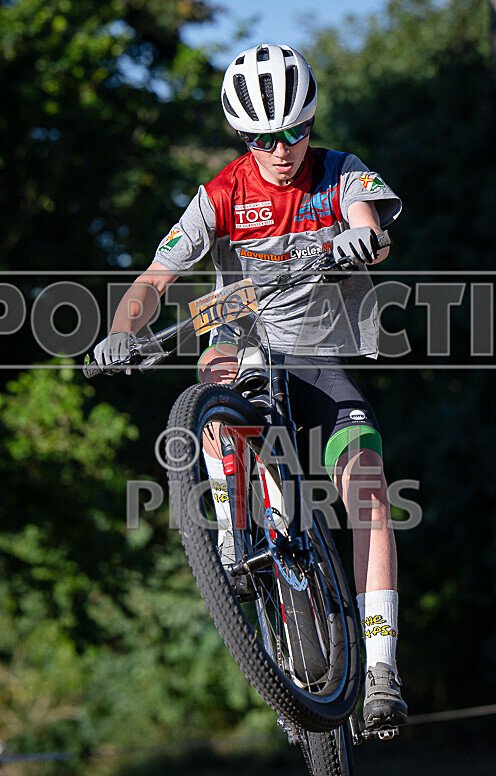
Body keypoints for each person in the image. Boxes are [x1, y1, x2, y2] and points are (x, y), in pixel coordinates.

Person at [93, 44, 407, 732]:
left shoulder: (339, 172)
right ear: (242, 136)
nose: (281, 148)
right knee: (216, 372)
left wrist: (364, 241)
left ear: (311, 122)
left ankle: (381, 667)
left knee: (368, 487)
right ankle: (236, 538)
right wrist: (121, 329)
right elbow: (153, 280)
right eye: (263, 137)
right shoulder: (221, 194)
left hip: (320, 355)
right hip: (242, 340)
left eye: (294, 131)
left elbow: (371, 229)